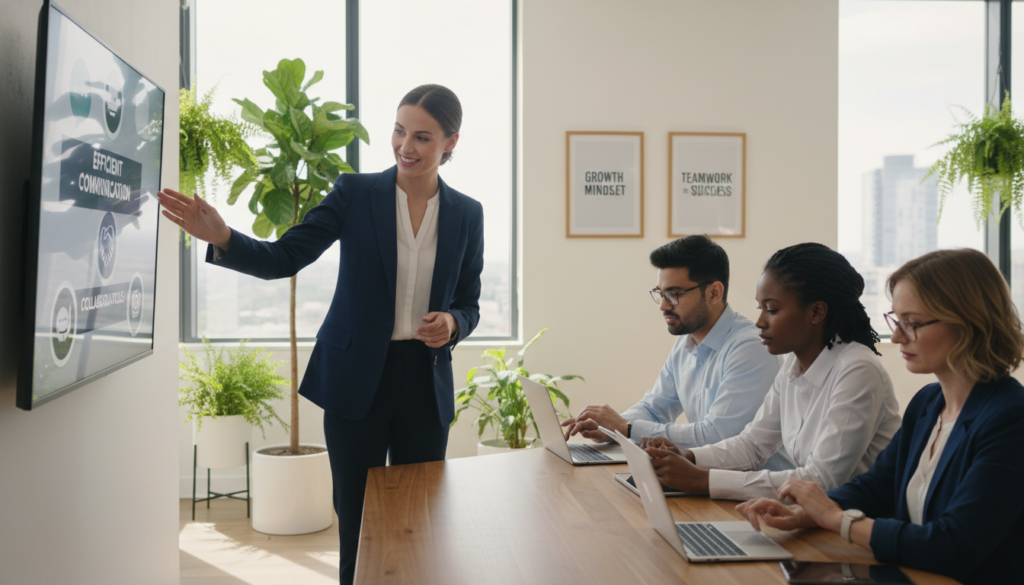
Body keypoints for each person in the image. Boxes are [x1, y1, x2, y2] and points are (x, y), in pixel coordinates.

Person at [157, 84, 484, 585]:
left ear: (451, 142)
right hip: (356, 382)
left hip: (424, 382)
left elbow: (469, 301)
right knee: (356, 523)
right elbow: (285, 257)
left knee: (418, 523)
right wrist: (223, 237)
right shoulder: (355, 194)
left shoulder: (467, 213)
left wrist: (455, 322)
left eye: (422, 136)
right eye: (399, 131)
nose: (405, 146)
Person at [735, 249, 1024, 585]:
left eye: (912, 324)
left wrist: (836, 519)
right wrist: (806, 513)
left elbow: (954, 545)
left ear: (968, 322)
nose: (898, 337)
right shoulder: (928, 404)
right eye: (896, 321)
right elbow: (876, 487)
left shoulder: (1010, 418)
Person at [643, 243, 901, 501]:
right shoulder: (792, 366)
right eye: (760, 308)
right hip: (813, 517)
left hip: (854, 526)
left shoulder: (857, 370)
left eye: (772, 309)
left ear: (816, 311)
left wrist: (702, 479)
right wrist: (687, 457)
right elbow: (753, 444)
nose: (760, 322)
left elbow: (822, 480)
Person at [561, 236, 793, 471]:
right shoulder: (687, 341)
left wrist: (626, 428)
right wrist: (611, 428)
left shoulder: (750, 347)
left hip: (756, 493)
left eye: (674, 294)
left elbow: (718, 436)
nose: (663, 305)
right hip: (708, 484)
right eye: (660, 293)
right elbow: (655, 408)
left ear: (714, 292)